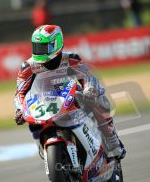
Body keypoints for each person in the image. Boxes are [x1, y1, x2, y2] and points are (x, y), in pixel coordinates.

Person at [13, 25, 126, 160]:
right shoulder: (27, 67)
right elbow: (20, 93)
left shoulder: (71, 58)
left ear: (56, 44)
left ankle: (112, 140)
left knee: (100, 100)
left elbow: (87, 77)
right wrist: (19, 109)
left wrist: (88, 90)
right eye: (37, 47)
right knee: (30, 118)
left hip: (68, 93)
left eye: (44, 47)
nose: (39, 51)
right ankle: (42, 147)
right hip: (42, 100)